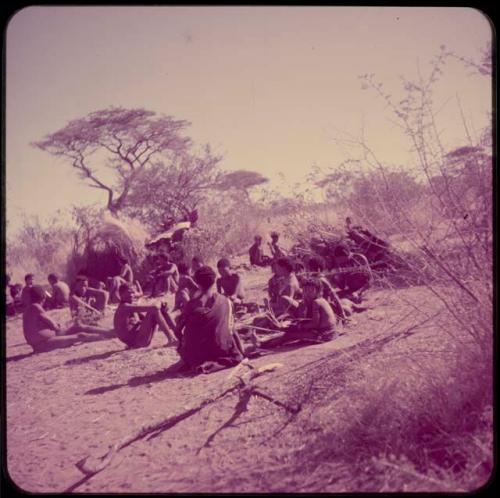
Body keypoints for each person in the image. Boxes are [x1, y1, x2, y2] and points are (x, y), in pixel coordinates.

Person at [176, 266, 244, 372]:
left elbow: (177, 331)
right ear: (213, 281)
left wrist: (185, 344)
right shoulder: (226, 301)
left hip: (197, 355)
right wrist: (240, 351)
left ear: (196, 282)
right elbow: (231, 329)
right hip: (221, 350)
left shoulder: (191, 305)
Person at [22, 286, 114, 353]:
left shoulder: (30, 309)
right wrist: (62, 328)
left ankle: (109, 332)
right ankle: (106, 336)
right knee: (80, 335)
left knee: (78, 327)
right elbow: (54, 325)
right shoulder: (36, 307)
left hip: (43, 342)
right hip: (43, 344)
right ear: (43, 297)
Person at [259, 278, 337, 349]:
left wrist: (299, 327)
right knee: (291, 333)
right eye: (305, 290)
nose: (307, 293)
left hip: (325, 335)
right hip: (327, 332)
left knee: (289, 335)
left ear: (318, 291)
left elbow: (315, 324)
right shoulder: (318, 300)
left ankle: (262, 345)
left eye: (311, 291)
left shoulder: (316, 302)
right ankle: (264, 342)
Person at [113, 283, 178, 348]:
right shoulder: (125, 307)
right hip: (137, 342)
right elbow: (154, 308)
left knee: (161, 310)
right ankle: (171, 339)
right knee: (155, 309)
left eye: (133, 293)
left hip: (140, 338)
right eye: (129, 293)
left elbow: (146, 319)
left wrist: (162, 307)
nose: (131, 295)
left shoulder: (130, 306)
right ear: (121, 294)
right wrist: (160, 302)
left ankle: (179, 334)